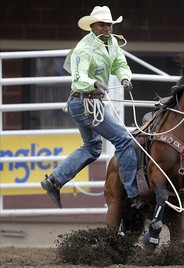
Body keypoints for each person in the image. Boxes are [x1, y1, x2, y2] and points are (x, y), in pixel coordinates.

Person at [40, 5, 144, 210]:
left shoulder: (112, 43)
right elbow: (79, 77)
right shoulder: (83, 48)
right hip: (83, 102)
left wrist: (124, 77)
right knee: (123, 139)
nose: (107, 28)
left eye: (109, 24)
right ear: (92, 26)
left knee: (93, 147)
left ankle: (54, 181)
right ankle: (134, 195)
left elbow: (120, 64)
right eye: (102, 25)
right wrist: (95, 83)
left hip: (89, 103)